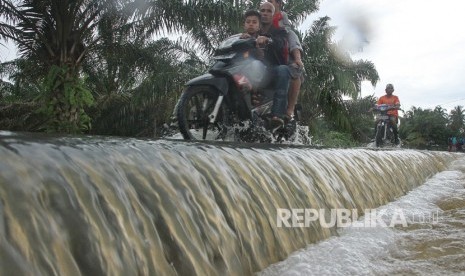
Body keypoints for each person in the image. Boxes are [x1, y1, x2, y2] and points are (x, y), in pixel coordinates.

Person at [256, 2, 291, 130]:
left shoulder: (279, 31)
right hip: (253, 69)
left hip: (271, 71)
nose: (264, 13)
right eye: (262, 10)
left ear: (273, 14)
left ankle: (277, 115)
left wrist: (267, 39)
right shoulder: (253, 29)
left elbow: (280, 42)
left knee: (284, 70)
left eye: (268, 11)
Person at [267, 0, 305, 120]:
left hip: (281, 49)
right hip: (267, 55)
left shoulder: (282, 17)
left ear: (278, 4)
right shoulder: (261, 17)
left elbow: (287, 31)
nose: (269, 3)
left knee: (295, 72)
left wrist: (297, 58)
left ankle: (289, 109)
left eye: (271, 1)